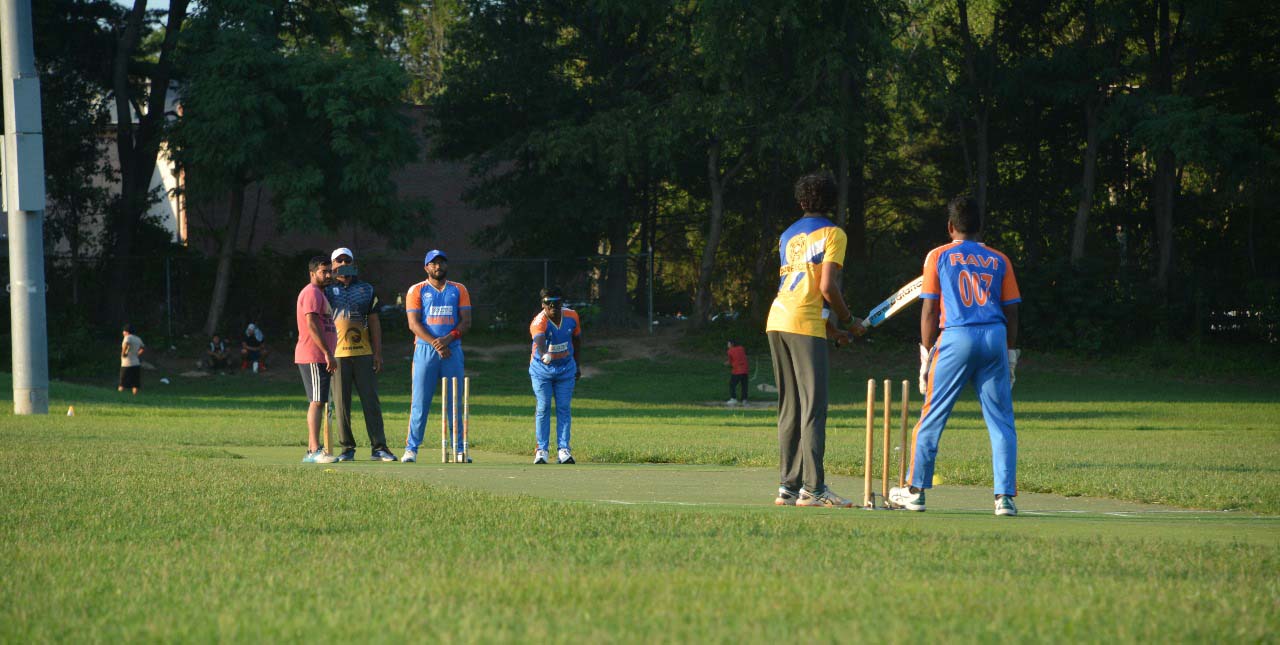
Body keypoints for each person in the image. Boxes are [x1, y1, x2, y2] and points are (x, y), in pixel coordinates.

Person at [889, 196, 1022, 517]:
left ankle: (915, 491)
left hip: (957, 336)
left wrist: (925, 355)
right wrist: (1011, 354)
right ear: (980, 227)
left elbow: (929, 309)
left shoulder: (938, 255)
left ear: (950, 227)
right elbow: (1013, 311)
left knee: (933, 414)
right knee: (1001, 420)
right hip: (994, 336)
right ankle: (1004, 498)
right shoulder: (1000, 259)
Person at [765, 171, 865, 508]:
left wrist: (833, 331)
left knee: (790, 407)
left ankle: (788, 487)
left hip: (777, 320)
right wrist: (849, 321)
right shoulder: (834, 233)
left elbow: (800, 287)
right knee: (813, 408)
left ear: (801, 201)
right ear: (832, 201)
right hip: (803, 324)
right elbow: (825, 287)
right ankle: (814, 489)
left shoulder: (787, 235)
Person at [326, 247, 396, 462]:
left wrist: (378, 353)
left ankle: (379, 447)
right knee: (341, 404)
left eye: (347, 260)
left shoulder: (366, 289)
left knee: (371, 402)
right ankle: (347, 448)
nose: (343, 264)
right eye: (339, 261)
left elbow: (374, 322)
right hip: (337, 355)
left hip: (364, 353)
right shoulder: (326, 290)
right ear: (332, 265)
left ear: (353, 264)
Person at [402, 249, 472, 463]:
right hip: (425, 350)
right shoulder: (416, 290)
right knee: (420, 402)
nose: (437, 266)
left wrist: (448, 339)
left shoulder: (459, 289)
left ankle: (458, 449)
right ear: (426, 267)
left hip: (452, 350)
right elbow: (413, 324)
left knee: (454, 402)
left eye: (441, 262)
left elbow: (466, 321)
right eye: (433, 263)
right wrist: (436, 343)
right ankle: (411, 449)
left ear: (446, 265)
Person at [528, 287, 581, 464]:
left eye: (556, 303)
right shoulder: (538, 322)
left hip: (566, 369)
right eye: (548, 303)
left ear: (561, 303)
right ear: (542, 305)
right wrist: (544, 353)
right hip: (541, 371)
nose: (552, 307)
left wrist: (578, 365)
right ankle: (542, 450)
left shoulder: (572, 316)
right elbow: (539, 341)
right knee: (543, 407)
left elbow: (577, 340)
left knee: (564, 408)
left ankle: (564, 450)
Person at [296, 256, 338, 464]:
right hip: (313, 354)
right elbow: (311, 324)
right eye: (324, 271)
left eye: (330, 271)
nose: (328, 275)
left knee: (320, 401)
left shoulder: (321, 294)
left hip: (321, 356)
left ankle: (314, 449)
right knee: (317, 401)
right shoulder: (311, 292)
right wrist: (327, 353)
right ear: (312, 273)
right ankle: (313, 450)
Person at [118, 325, 145, 395]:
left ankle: (119, 396)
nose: (123, 332)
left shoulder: (127, 337)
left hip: (126, 363)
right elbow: (143, 348)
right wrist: (137, 354)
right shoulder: (138, 338)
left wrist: (123, 353)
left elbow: (126, 343)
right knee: (135, 383)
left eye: (123, 331)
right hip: (136, 363)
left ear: (126, 331)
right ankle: (134, 395)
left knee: (122, 382)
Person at [725, 339, 749, 406]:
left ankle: (733, 399)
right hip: (745, 370)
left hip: (737, 371)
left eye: (728, 344)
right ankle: (744, 400)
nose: (728, 345)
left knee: (732, 384)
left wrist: (726, 363)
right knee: (744, 385)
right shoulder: (741, 348)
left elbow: (730, 361)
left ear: (732, 344)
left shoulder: (730, 351)